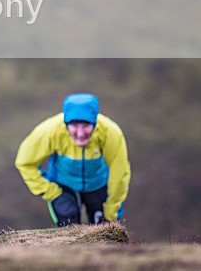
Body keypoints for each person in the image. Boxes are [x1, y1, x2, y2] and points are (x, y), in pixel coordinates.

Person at [15, 93, 131, 226]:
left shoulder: (111, 132)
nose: (80, 134)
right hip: (63, 185)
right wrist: (51, 192)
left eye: (86, 126)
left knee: (104, 230)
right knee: (68, 228)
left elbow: (120, 172)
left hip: (98, 184)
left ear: (95, 122)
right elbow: (25, 162)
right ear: (65, 124)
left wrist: (111, 212)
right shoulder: (49, 131)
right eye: (74, 126)